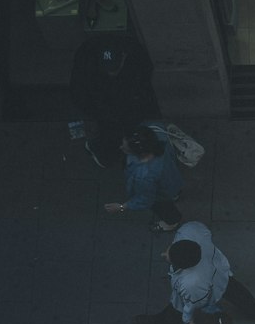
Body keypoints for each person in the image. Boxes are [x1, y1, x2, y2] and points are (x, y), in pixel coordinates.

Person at [132, 220, 255, 324]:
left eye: (169, 257)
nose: (164, 254)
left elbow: (193, 304)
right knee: (237, 292)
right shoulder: (192, 231)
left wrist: (187, 320)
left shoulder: (192, 283)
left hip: (209, 284)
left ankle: (160, 322)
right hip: (220, 273)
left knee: (175, 309)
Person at [69, 32, 158, 168]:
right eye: (108, 71)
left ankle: (129, 145)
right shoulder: (86, 61)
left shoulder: (135, 56)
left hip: (123, 97)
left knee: (131, 120)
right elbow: (79, 95)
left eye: (115, 69)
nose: (112, 74)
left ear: (123, 56)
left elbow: (144, 83)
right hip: (101, 101)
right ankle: (104, 149)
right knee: (109, 125)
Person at [104, 123, 183, 233]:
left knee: (165, 209)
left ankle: (172, 223)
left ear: (139, 153)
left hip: (160, 195)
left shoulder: (144, 176)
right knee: (171, 190)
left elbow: (145, 199)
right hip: (171, 177)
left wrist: (121, 207)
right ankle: (175, 195)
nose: (121, 148)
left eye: (126, 149)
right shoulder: (158, 133)